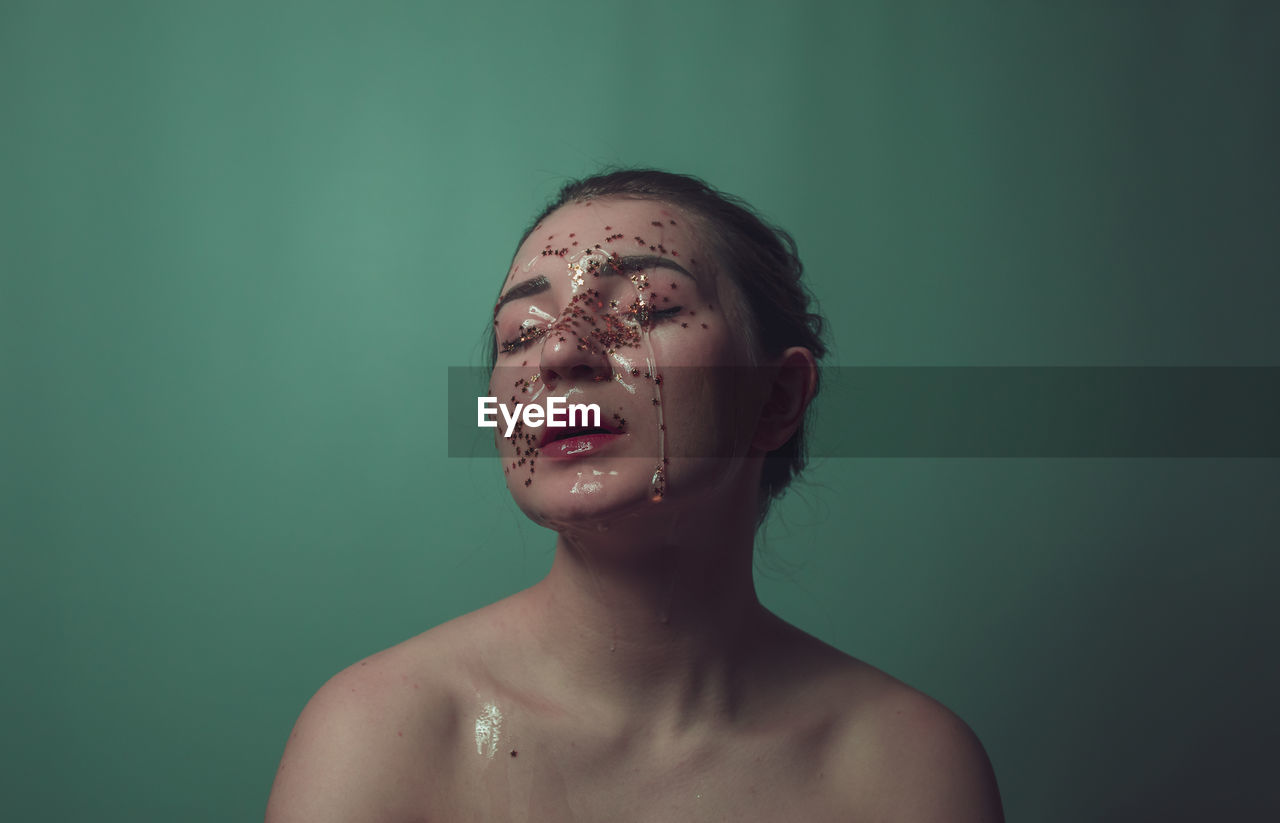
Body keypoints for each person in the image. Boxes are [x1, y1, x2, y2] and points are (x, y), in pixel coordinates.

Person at [264, 169, 1005, 822]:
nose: (559, 353)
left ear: (777, 397)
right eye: (521, 334)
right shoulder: (378, 734)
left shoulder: (908, 769)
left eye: (646, 311)